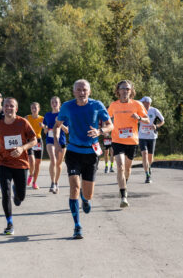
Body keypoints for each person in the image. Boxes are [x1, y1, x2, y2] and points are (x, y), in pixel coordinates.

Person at [54, 80, 113, 239]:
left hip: (91, 154)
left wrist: (100, 131)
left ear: (89, 91)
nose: (81, 92)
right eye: (78, 90)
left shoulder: (97, 105)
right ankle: (77, 226)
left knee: (87, 194)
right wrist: (57, 143)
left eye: (84, 90)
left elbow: (110, 125)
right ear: (74, 92)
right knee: (74, 186)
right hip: (73, 151)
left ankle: (85, 199)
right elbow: (57, 124)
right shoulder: (67, 106)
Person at [0, 97, 37, 235]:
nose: (8, 108)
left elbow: (34, 140)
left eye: (11, 106)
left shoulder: (23, 122)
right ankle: (9, 223)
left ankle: (18, 193)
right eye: (6, 106)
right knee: (5, 193)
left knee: (20, 197)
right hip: (4, 163)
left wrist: (22, 148)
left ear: (16, 108)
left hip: (21, 164)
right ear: (3, 108)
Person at [108, 80, 149, 208]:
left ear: (131, 91)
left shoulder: (137, 104)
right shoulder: (114, 105)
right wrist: (105, 127)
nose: (125, 91)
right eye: (123, 88)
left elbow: (147, 120)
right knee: (120, 166)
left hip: (132, 141)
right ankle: (123, 195)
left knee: (127, 168)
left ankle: (123, 184)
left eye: (128, 89)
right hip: (117, 140)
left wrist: (140, 118)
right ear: (118, 91)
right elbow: (106, 118)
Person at [43, 96, 68, 194]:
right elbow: (45, 130)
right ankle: (52, 183)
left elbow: (67, 131)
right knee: (53, 160)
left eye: (56, 102)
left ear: (59, 103)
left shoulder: (64, 115)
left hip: (61, 141)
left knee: (58, 163)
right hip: (50, 140)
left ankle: (56, 182)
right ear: (50, 104)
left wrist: (59, 123)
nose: (54, 103)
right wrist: (44, 128)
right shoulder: (47, 115)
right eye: (52, 102)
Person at [139, 96, 165, 183]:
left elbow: (162, 120)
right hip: (142, 136)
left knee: (150, 158)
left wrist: (156, 126)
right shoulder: (139, 109)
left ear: (148, 103)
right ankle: (147, 175)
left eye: (143, 102)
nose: (142, 103)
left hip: (152, 136)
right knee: (144, 154)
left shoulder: (154, 110)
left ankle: (149, 168)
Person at [25, 102, 44, 189]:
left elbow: (47, 128)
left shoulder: (42, 118)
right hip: (30, 140)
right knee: (31, 160)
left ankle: (34, 183)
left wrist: (44, 126)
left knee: (38, 163)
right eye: (32, 108)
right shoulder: (27, 118)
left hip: (38, 141)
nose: (34, 109)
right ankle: (31, 174)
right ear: (30, 109)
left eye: (35, 108)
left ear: (39, 109)